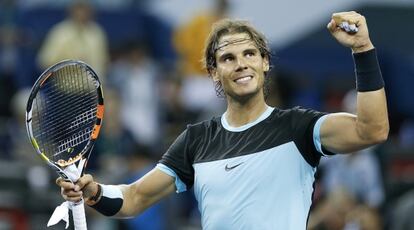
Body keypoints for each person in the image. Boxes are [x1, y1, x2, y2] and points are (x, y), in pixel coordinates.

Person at [57, 11, 389, 229]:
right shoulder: (197, 139)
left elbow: (372, 129)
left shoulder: (299, 128)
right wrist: (97, 191)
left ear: (265, 63)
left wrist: (362, 48)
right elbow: (135, 197)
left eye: (250, 54)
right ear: (214, 72)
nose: (241, 64)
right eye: (228, 58)